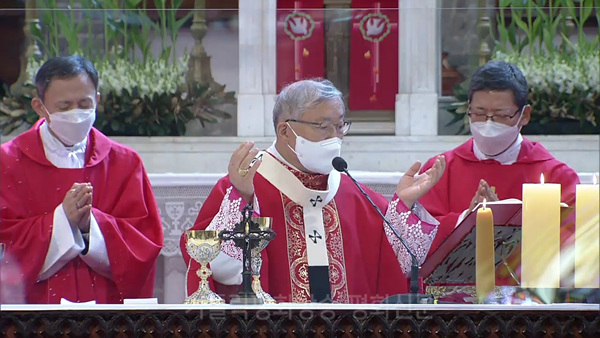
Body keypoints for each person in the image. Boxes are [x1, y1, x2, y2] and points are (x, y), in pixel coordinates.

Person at [181, 79, 446, 303]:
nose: (335, 136)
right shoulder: (245, 186)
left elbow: (396, 266)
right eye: (323, 126)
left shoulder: (352, 193)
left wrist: (404, 206)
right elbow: (218, 270)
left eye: (339, 126)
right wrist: (241, 199)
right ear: (285, 130)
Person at [0, 55, 164, 304]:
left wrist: (91, 226)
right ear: (39, 107)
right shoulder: (7, 162)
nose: (75, 114)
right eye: (64, 107)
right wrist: (61, 220)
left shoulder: (126, 163)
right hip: (32, 310)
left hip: (106, 309)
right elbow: (4, 240)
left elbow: (144, 242)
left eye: (84, 104)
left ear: (97, 100)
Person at [419, 60, 580, 257]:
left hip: (525, 287)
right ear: (468, 108)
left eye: (501, 115)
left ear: (524, 115)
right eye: (479, 113)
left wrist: (508, 226)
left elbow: (573, 247)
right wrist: (465, 220)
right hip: (454, 287)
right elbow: (416, 238)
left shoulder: (557, 177)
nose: (488, 124)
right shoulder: (439, 170)